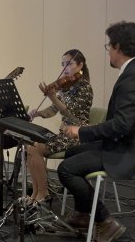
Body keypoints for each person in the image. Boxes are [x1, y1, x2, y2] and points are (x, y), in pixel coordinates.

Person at [59, 21, 135, 241]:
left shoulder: (133, 77)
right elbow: (124, 124)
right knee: (71, 153)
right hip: (132, 143)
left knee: (66, 169)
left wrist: (81, 131)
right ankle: (82, 213)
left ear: (118, 47)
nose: (109, 52)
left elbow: (121, 125)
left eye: (109, 47)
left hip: (131, 152)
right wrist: (86, 132)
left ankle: (105, 221)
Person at [26, 49, 93, 205]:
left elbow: (69, 114)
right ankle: (36, 192)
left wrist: (53, 97)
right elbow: (53, 110)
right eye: (62, 64)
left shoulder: (85, 88)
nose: (64, 68)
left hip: (78, 136)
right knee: (30, 146)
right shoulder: (65, 87)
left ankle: (43, 192)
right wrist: (37, 113)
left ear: (80, 65)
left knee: (34, 147)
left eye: (68, 64)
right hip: (64, 134)